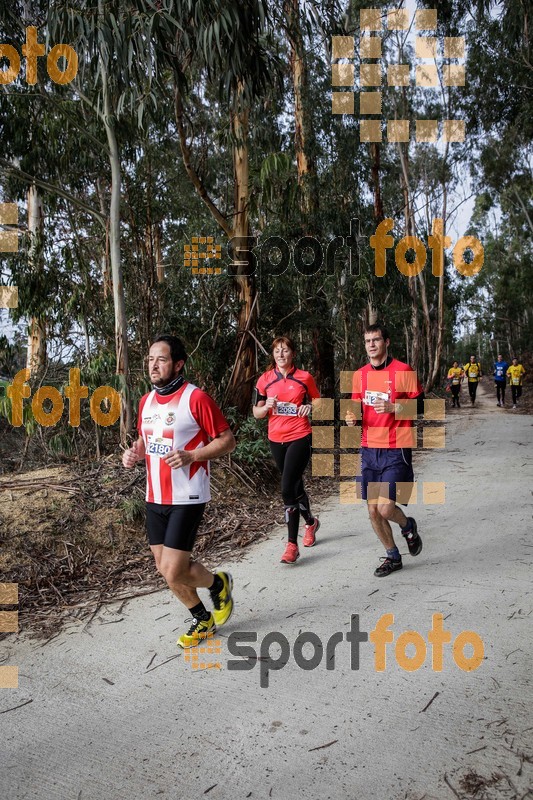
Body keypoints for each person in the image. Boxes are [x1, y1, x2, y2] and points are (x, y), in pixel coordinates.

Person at [122, 335, 236, 648]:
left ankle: (217, 584)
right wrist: (134, 453)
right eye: (149, 359)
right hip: (154, 495)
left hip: (187, 495)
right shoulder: (146, 401)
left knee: (173, 569)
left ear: (178, 364)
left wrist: (193, 455)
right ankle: (203, 618)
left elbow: (227, 440)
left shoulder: (195, 398)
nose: (153, 365)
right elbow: (146, 441)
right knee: (166, 569)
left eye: (161, 359)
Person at [346, 323, 424, 578]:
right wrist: (351, 418)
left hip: (395, 447)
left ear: (386, 342)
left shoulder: (403, 370)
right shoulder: (359, 375)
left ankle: (407, 525)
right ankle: (393, 556)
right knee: (372, 510)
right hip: (369, 450)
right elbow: (356, 407)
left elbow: (422, 406)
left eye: (376, 340)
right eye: (367, 340)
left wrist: (395, 408)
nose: (371, 344)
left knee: (385, 508)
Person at [253, 336, 321, 564]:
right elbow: (256, 412)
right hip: (275, 438)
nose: (281, 355)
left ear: (292, 353)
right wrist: (266, 407)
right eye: (277, 352)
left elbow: (320, 403)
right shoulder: (264, 380)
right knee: (296, 486)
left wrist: (309, 407)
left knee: (286, 488)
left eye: (285, 351)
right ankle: (311, 523)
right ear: (273, 355)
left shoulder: (304, 378)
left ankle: (292, 545)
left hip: (300, 436)